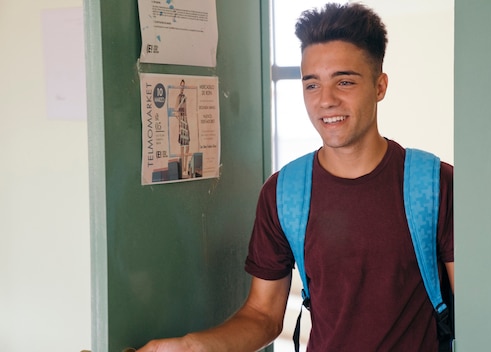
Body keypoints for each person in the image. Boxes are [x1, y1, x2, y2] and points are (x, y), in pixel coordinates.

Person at [137, 2, 453, 351]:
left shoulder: (435, 185)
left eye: (344, 81)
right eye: (312, 85)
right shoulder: (284, 193)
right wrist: (189, 347)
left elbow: (480, 310)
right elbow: (263, 315)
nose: (326, 101)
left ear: (380, 86)